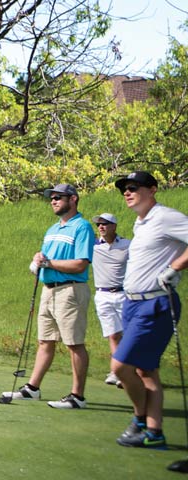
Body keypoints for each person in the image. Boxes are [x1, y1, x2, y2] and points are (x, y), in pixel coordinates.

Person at [112, 171, 188, 449]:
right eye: (124, 189)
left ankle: (140, 419)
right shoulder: (140, 223)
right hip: (132, 303)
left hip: (155, 303)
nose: (127, 192)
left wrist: (175, 267)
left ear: (153, 190)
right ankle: (154, 433)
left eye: (133, 187)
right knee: (146, 371)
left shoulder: (165, 216)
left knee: (120, 366)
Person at [3, 184, 94, 409]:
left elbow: (80, 264)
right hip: (48, 289)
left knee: (74, 343)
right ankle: (32, 388)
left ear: (73, 199)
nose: (53, 201)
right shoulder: (52, 229)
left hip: (70, 290)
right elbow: (45, 258)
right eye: (51, 198)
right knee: (45, 340)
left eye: (58, 198)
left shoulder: (82, 227)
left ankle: (77, 396)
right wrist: (38, 259)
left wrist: (49, 263)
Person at [91, 213, 130, 387]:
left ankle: (128, 370)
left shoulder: (127, 245)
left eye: (105, 224)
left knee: (128, 335)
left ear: (114, 226)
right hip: (102, 295)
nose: (101, 227)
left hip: (124, 294)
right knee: (113, 335)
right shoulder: (92, 246)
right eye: (99, 224)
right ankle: (116, 371)